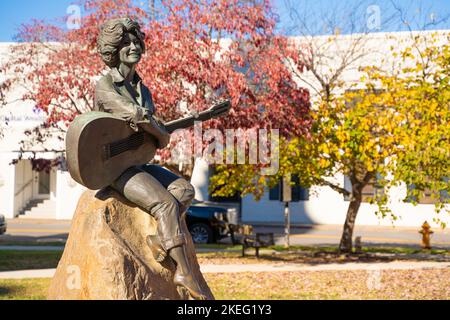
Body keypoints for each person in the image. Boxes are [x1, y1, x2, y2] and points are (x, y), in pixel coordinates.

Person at [95, 17, 206, 300]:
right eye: (126, 43)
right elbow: (135, 114)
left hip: (137, 161)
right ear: (113, 51)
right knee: (166, 204)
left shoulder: (143, 90)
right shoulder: (105, 86)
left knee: (184, 190)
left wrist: (161, 126)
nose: (134, 47)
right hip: (113, 167)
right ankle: (183, 270)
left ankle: (161, 239)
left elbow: (160, 138)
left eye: (136, 42)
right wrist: (152, 124)